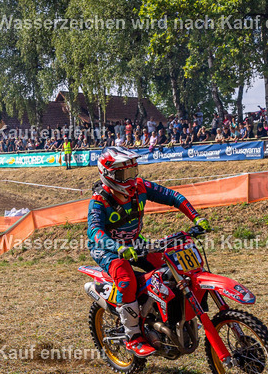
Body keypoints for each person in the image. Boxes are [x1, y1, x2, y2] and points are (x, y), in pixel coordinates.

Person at [87, 147, 209, 357]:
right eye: (123, 174)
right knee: (127, 280)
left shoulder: (141, 187)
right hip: (107, 249)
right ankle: (133, 336)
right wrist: (118, 248)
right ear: (108, 175)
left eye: (133, 172)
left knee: (171, 268)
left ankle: (173, 318)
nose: (131, 179)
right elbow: (95, 231)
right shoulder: (100, 201)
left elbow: (173, 196)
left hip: (135, 242)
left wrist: (196, 217)